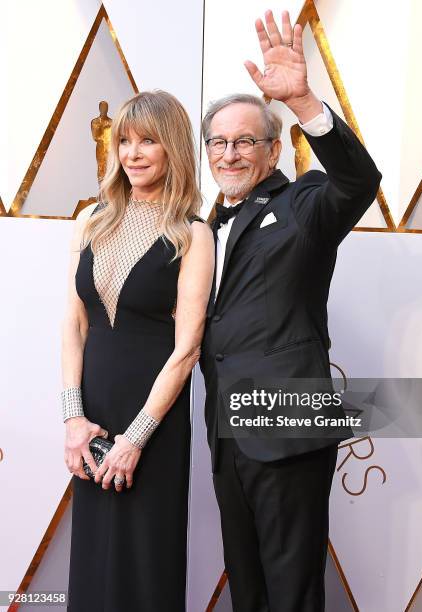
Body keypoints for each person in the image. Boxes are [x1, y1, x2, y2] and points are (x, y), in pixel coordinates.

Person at [199, 10, 382, 612]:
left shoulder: (303, 204)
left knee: (292, 591)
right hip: (228, 432)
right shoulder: (203, 226)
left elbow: (358, 181)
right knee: (246, 586)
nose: (229, 154)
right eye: (219, 142)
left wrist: (304, 101)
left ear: (275, 149)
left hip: (286, 424)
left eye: (245, 140)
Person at [61, 90, 214, 611]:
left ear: (173, 147)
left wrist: (136, 438)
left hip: (154, 414)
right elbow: (73, 324)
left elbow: (188, 347)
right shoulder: (91, 220)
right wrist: (73, 418)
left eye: (148, 139)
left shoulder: (193, 234)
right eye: (124, 140)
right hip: (94, 412)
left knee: (145, 557)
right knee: (94, 555)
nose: (133, 153)